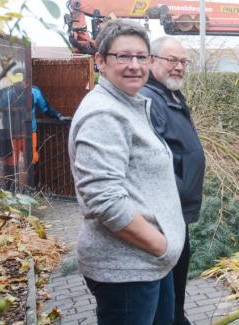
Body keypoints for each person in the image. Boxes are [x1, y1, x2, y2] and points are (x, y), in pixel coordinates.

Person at [68, 21, 184, 325]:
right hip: (128, 270)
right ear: (101, 62)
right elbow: (103, 200)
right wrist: (160, 244)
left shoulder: (128, 105)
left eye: (141, 57)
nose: (134, 65)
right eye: (123, 57)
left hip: (148, 264)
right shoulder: (104, 113)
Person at [139, 37, 206, 325]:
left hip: (177, 214)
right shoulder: (149, 100)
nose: (178, 67)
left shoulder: (172, 95)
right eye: (171, 60)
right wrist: (177, 192)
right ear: (152, 60)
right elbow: (152, 163)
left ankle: (178, 318)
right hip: (164, 215)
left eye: (183, 62)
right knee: (166, 292)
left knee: (176, 291)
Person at [0, 67, 29, 191]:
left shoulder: (6, 92)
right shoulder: (30, 92)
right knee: (27, 164)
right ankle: (27, 190)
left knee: (11, 164)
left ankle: (11, 190)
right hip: (25, 133)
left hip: (12, 133)